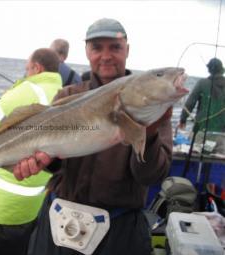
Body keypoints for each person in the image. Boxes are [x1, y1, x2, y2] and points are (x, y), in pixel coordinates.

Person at [13, 18, 173, 255]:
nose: (106, 56)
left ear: (127, 50)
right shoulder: (68, 95)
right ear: (87, 51)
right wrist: (44, 160)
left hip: (118, 230)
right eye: (97, 48)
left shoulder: (151, 104)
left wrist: (147, 135)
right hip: (59, 220)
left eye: (115, 47)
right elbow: (57, 163)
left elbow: (152, 176)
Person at [0, 48, 62, 255]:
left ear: (37, 67)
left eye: (27, 68)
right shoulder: (63, 92)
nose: (26, 73)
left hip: (4, 206)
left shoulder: (29, 90)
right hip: (36, 201)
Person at [178, 57, 225, 133]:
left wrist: (183, 119)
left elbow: (190, 103)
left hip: (201, 128)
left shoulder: (202, 83)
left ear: (209, 69)